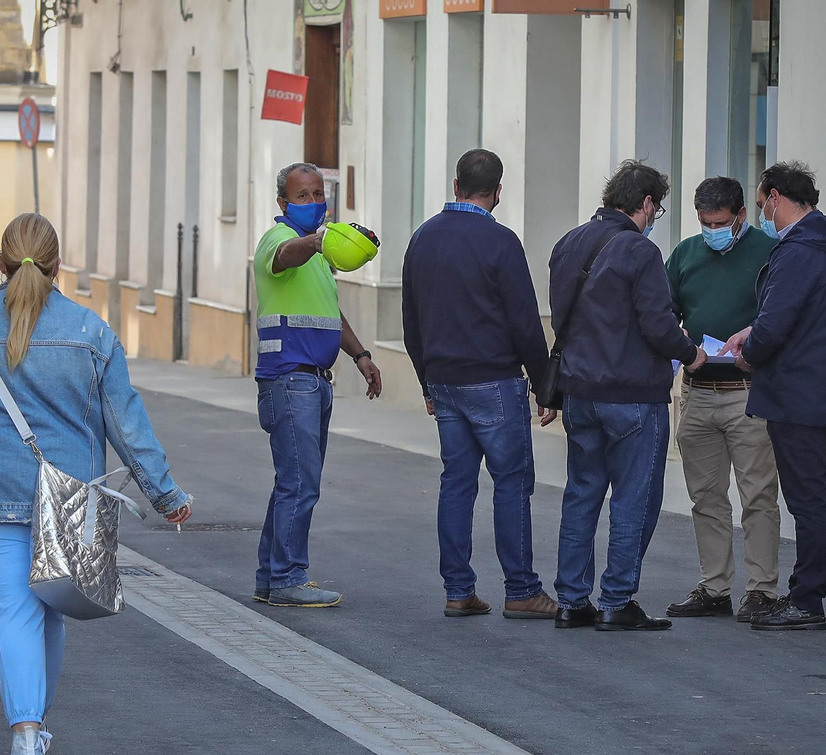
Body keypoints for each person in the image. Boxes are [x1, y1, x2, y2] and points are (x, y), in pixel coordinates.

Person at [0, 213, 193, 755]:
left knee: (14, 612)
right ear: (58, 265)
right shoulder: (92, 332)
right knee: (49, 609)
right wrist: (165, 494)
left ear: (0, 263)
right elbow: (126, 424)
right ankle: (34, 734)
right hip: (68, 504)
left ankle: (26, 741)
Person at [546, 160, 707, 632]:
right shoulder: (640, 250)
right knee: (633, 498)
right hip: (634, 391)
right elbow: (658, 325)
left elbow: (561, 317)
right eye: (657, 207)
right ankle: (617, 600)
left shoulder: (569, 242)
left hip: (579, 390)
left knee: (581, 495)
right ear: (647, 204)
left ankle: (571, 601)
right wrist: (690, 352)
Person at [401, 149, 559, 620]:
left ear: (455, 186)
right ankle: (522, 590)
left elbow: (412, 321)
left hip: (445, 381)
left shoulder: (422, 239)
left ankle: (458, 589)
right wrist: (543, 384)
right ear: (498, 191)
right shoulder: (501, 242)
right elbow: (525, 323)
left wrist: (426, 381)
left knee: (457, 483)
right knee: (511, 483)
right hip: (494, 380)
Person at [722, 161, 826, 632]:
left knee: (805, 501)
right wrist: (753, 333)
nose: (764, 215)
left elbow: (778, 323)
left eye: (763, 206)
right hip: (818, 388)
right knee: (810, 497)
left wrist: (750, 352)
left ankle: (807, 602)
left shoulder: (797, 250)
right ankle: (806, 596)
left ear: (777, 198)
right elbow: (798, 316)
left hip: (798, 392)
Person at [252, 161, 383, 609]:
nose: (312, 203)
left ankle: (271, 577)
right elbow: (284, 257)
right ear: (283, 203)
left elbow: (329, 312)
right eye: (302, 196)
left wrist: (361, 355)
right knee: (300, 482)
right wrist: (317, 240)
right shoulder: (280, 240)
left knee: (292, 480)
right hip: (290, 380)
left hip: (311, 381)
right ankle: (289, 577)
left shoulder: (319, 258)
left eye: (318, 195)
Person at [663, 177, 781, 625]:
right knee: (706, 497)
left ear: (741, 217)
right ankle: (714, 587)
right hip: (697, 393)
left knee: (758, 496)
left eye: (721, 222)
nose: (713, 230)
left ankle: (762, 590)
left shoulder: (768, 254)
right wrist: (678, 338)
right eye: (705, 222)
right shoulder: (686, 255)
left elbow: (779, 316)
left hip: (747, 393)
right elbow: (663, 311)